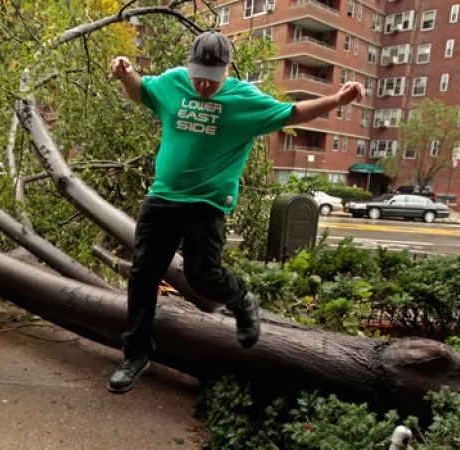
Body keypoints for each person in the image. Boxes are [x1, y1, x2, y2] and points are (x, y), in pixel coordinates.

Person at [107, 30, 364, 394]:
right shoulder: (173, 83)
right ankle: (135, 355)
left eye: (212, 80)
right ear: (189, 67)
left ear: (226, 71)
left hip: (207, 204)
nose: (203, 86)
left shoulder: (245, 100)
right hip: (163, 198)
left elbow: (292, 113)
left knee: (202, 275)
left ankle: (242, 299)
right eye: (198, 77)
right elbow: (141, 92)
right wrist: (126, 73)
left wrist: (336, 99)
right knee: (143, 275)